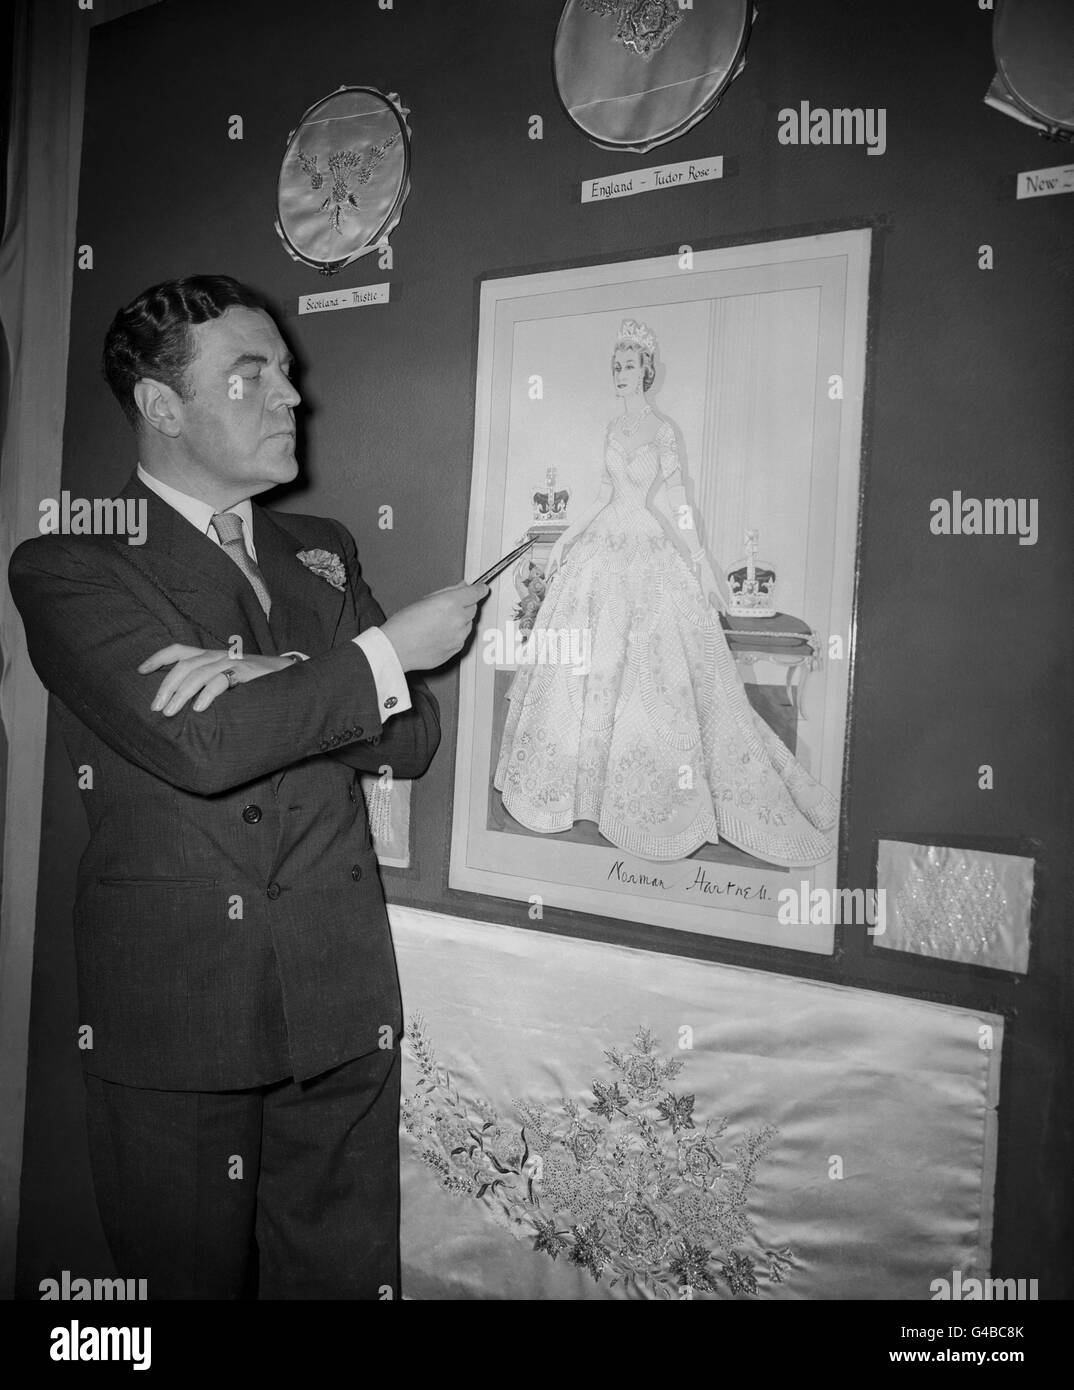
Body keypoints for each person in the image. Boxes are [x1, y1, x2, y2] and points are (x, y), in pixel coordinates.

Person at [8, 275, 487, 1299]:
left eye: (286, 371)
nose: (290, 397)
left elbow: (410, 745)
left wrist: (279, 675)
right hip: (181, 1011)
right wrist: (382, 653)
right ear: (161, 406)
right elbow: (208, 746)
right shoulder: (70, 565)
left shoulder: (323, 551)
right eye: (250, 374)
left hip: (339, 993)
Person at [493, 319, 836, 866]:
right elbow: (601, 496)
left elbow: (677, 502)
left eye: (629, 365)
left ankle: (646, 798)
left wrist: (699, 561)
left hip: (647, 546)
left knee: (648, 667)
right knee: (587, 666)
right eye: (616, 365)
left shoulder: (662, 431)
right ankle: (579, 790)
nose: (620, 373)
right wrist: (565, 542)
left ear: (647, 371)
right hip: (603, 544)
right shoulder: (611, 427)